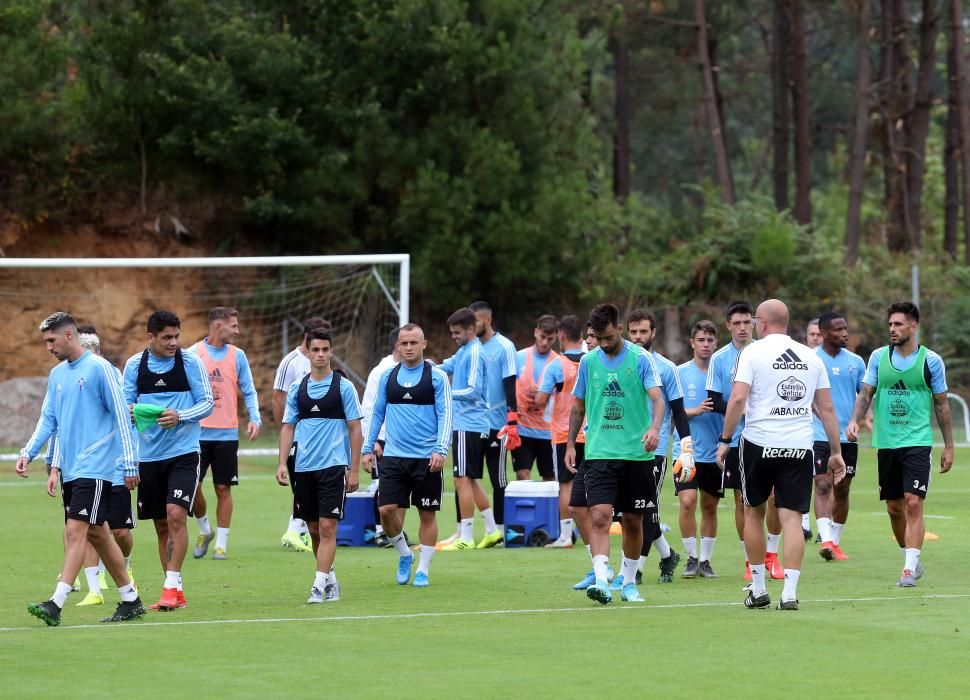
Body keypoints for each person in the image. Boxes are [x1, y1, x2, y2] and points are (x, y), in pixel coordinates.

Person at [716, 299, 846, 611]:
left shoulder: (752, 352)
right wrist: (836, 451)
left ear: (761, 322)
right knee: (792, 518)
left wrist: (724, 439)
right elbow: (826, 408)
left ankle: (759, 588)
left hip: (759, 442)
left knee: (753, 513)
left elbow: (737, 399)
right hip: (799, 446)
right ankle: (789, 593)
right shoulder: (809, 356)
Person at [17, 312, 144, 625]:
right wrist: (29, 452)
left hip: (97, 466)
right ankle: (131, 599)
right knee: (99, 534)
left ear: (69, 336)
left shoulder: (101, 369)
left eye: (51, 340)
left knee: (75, 530)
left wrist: (129, 462)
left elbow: (121, 418)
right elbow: (49, 419)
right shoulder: (57, 375)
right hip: (73, 469)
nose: (48, 347)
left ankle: (55, 603)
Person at [847, 301, 954, 587]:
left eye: (898, 324)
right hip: (886, 443)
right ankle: (910, 557)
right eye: (890, 324)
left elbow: (942, 405)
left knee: (913, 503)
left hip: (918, 442)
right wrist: (854, 420)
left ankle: (907, 569)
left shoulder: (931, 361)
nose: (892, 329)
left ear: (913, 326)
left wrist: (949, 446)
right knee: (894, 508)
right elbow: (866, 392)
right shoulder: (879, 358)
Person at [566, 303, 665, 605]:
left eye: (609, 337)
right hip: (599, 453)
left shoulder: (641, 359)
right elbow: (578, 406)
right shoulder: (588, 362)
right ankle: (600, 580)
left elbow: (658, 400)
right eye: (599, 338)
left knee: (634, 521)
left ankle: (630, 582)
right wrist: (571, 444)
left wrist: (654, 428)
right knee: (600, 516)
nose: (604, 344)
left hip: (636, 455)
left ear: (619, 329)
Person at [123, 310, 213, 611]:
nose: (174, 342)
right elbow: (124, 407)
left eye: (177, 336)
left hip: (184, 452)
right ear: (151, 337)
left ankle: (170, 588)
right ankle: (175, 590)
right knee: (161, 523)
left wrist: (180, 416)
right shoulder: (135, 366)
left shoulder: (190, 363)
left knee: (176, 514)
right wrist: (133, 411)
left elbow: (207, 403)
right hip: (148, 456)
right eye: (167, 338)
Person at [276, 328, 362, 603]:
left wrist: (355, 468)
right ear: (308, 352)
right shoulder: (298, 389)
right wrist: (281, 463)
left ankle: (317, 586)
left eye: (326, 349)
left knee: (327, 527)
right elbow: (287, 427)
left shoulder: (343, 387)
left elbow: (355, 429)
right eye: (316, 350)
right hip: (303, 468)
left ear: (331, 352)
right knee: (313, 529)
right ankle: (331, 580)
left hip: (334, 466)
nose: (321, 354)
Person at [362, 324, 452, 587]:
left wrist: (440, 449)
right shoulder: (387, 377)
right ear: (397, 346)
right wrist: (368, 448)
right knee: (386, 510)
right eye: (404, 343)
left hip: (427, 459)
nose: (409, 348)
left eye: (414, 343)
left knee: (427, 514)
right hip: (393, 457)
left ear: (424, 344)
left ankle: (423, 568)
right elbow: (377, 413)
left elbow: (447, 415)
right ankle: (404, 553)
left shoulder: (436, 377)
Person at [708, 301, 784, 581]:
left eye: (746, 322)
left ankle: (772, 556)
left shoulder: (765, 353)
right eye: (736, 323)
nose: (742, 328)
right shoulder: (719, 359)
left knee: (775, 496)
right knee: (743, 501)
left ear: (755, 323)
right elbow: (714, 401)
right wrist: (741, 406)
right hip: (739, 439)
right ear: (728, 326)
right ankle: (749, 560)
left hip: (770, 434)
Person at [70, 326, 138, 607]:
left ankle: (125, 565)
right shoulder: (70, 378)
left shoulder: (111, 376)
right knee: (87, 527)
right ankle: (94, 588)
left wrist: (129, 461)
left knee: (120, 532)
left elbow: (125, 421)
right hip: (87, 469)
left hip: (116, 467)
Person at [621, 308, 690, 586]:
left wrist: (686, 449)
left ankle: (635, 570)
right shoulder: (620, 364)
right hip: (622, 449)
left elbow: (679, 411)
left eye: (643, 332)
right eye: (633, 332)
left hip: (655, 450)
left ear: (653, 333)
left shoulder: (667, 369)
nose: (638, 337)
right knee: (629, 510)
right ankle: (667, 554)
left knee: (645, 508)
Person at [190, 307, 261, 560]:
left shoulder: (237, 355)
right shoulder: (193, 354)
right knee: (192, 486)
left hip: (227, 435)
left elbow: (249, 390)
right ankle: (204, 529)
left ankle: (221, 543)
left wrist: (255, 417)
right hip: (196, 434)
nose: (238, 330)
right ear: (218, 326)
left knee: (223, 488)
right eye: (234, 326)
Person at [437, 308, 501, 550]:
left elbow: (473, 390)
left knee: (461, 478)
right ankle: (492, 530)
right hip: (471, 424)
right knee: (471, 480)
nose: (453, 336)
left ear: (471, 330)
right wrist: (424, 368)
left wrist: (446, 394)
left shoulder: (475, 353)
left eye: (457, 332)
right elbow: (447, 366)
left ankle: (465, 537)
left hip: (469, 423)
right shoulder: (464, 350)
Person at [811, 312, 866, 561]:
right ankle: (826, 541)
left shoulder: (856, 361)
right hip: (818, 435)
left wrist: (859, 420)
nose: (845, 333)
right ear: (823, 333)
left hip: (847, 437)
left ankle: (836, 541)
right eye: (838, 329)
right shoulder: (811, 360)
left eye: (846, 328)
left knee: (842, 489)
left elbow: (863, 397)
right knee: (822, 484)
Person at [272, 316, 329, 552]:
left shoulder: (323, 362)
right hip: (298, 437)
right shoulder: (291, 362)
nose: (321, 350)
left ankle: (300, 531)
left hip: (320, 438)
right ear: (306, 339)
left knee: (315, 487)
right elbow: (278, 397)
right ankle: (295, 530)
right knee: (303, 486)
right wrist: (286, 430)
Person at [671, 320, 721, 578]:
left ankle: (706, 560)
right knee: (688, 501)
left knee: (710, 506)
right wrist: (694, 410)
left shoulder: (722, 372)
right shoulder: (679, 373)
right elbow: (671, 413)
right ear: (692, 343)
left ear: (716, 343)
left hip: (715, 453)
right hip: (686, 451)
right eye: (701, 340)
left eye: (710, 340)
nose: (705, 345)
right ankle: (691, 558)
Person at [534, 314, 585, 549]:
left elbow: (541, 401)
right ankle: (588, 530)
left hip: (565, 434)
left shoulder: (556, 365)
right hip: (593, 433)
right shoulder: (592, 361)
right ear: (582, 336)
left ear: (561, 336)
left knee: (565, 484)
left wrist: (537, 393)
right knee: (592, 483)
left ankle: (565, 535)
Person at [361, 328, 401, 547]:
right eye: (405, 342)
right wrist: (372, 440)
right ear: (397, 344)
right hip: (383, 438)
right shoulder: (382, 371)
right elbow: (369, 407)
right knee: (382, 484)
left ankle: (393, 531)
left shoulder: (411, 369)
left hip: (402, 440)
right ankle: (380, 531)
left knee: (396, 488)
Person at [513, 315, 560, 481]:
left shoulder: (559, 363)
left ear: (557, 337)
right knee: (522, 474)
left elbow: (564, 397)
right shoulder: (518, 357)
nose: (545, 342)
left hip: (548, 433)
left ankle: (549, 508)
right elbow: (506, 387)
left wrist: (545, 394)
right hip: (522, 430)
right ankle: (527, 508)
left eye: (550, 339)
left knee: (550, 479)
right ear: (535, 332)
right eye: (542, 337)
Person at [802, 318, 822, 540]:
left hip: (826, 432)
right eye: (812, 334)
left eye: (819, 334)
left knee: (826, 483)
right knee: (807, 477)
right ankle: (804, 524)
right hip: (804, 432)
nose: (815, 338)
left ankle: (825, 530)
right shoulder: (801, 360)